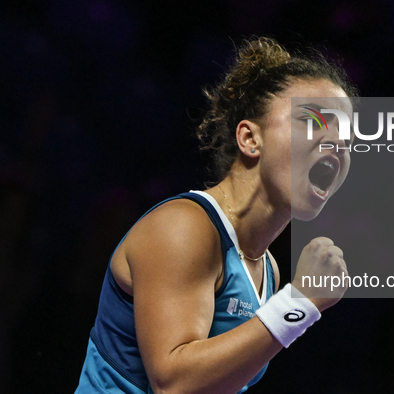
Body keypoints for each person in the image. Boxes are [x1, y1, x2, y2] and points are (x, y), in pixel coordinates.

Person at [75, 36, 357, 394]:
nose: (336, 144)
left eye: (346, 138)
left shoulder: (265, 268)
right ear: (250, 139)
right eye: (314, 120)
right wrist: (299, 303)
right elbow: (174, 383)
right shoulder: (184, 227)